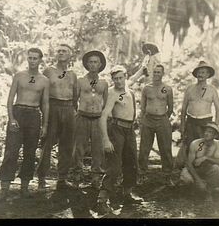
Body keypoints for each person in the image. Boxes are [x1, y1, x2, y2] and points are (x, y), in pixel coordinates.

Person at [0, 48, 49, 199]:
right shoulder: (19, 76)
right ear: (27, 59)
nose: (32, 61)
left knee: (30, 152)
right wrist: (12, 118)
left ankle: (25, 187)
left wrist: (45, 125)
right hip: (18, 112)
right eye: (30, 58)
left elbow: (45, 104)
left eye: (35, 58)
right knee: (11, 151)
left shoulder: (44, 80)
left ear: (40, 60)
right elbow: (10, 99)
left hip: (34, 115)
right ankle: (4, 188)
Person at [96, 65, 143, 215]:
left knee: (131, 163)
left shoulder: (127, 87)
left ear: (125, 77)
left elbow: (136, 76)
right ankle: (102, 200)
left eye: (121, 78)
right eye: (115, 79)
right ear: (112, 80)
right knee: (114, 166)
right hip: (116, 129)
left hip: (129, 130)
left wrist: (144, 64)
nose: (118, 81)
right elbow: (103, 116)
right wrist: (105, 139)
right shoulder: (112, 93)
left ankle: (127, 194)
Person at [36, 44, 77, 190]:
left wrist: (73, 111)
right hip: (52, 107)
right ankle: (41, 178)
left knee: (66, 145)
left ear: (70, 55)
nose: (61, 53)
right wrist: (44, 113)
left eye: (64, 51)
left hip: (68, 108)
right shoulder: (49, 71)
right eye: (59, 51)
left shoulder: (72, 74)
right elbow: (42, 93)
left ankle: (62, 179)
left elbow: (75, 96)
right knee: (47, 143)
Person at [73, 50, 109, 188]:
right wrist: (79, 113)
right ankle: (77, 177)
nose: (93, 65)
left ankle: (96, 178)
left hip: (97, 119)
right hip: (82, 117)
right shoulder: (80, 81)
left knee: (97, 149)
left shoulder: (104, 83)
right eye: (90, 62)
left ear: (100, 65)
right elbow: (74, 100)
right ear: (87, 64)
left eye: (96, 62)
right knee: (79, 148)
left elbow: (105, 103)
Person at [138, 64, 174, 184]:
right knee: (144, 148)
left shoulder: (167, 89)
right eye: (155, 72)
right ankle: (142, 174)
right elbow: (142, 107)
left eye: (159, 72)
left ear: (163, 74)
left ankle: (167, 175)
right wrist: (143, 120)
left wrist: (163, 117)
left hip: (162, 119)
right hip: (148, 120)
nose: (156, 74)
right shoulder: (146, 88)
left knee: (166, 149)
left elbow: (170, 107)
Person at [180, 61, 219, 154]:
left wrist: (215, 126)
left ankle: (202, 167)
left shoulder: (212, 90)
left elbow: (218, 109)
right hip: (191, 122)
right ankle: (189, 167)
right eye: (199, 72)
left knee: (204, 147)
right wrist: (182, 125)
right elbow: (183, 109)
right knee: (190, 146)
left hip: (205, 122)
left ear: (208, 75)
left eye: (203, 72)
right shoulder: (189, 89)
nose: (200, 74)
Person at [179, 122, 219, 202]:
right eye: (206, 131)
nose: (206, 134)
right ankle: (191, 191)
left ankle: (208, 193)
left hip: (206, 170)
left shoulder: (216, 145)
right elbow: (189, 164)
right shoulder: (195, 143)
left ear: (215, 136)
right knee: (186, 178)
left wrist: (206, 158)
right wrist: (198, 180)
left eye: (210, 132)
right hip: (193, 170)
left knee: (217, 169)